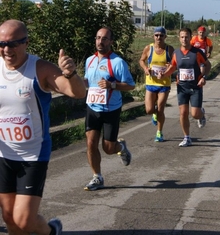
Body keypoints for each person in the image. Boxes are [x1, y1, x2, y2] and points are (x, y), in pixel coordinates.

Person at [0, 19, 87, 234]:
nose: (6, 49)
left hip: (32, 156)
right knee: (9, 219)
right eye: (1, 43)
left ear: (26, 42)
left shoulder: (40, 69)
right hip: (4, 155)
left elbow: (78, 93)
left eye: (13, 44)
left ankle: (50, 231)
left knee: (24, 221)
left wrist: (70, 74)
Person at [84, 27, 135, 191]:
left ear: (111, 42)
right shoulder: (89, 61)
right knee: (91, 144)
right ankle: (97, 177)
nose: (100, 41)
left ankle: (120, 148)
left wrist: (112, 85)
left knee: (108, 149)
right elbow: (87, 82)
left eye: (105, 38)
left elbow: (131, 85)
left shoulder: (117, 62)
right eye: (98, 38)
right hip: (92, 107)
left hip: (111, 110)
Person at [159, 28, 211, 147]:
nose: (184, 39)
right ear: (179, 38)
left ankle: (201, 114)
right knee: (183, 113)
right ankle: (186, 137)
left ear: (190, 37)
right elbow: (173, 67)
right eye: (182, 37)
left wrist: (204, 77)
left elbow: (208, 65)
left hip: (195, 87)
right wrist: (164, 74)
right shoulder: (176, 53)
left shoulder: (197, 52)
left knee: (195, 114)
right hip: (182, 87)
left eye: (186, 37)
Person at [139, 27, 174, 142]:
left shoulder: (169, 49)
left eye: (161, 35)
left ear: (165, 37)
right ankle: (153, 113)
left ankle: (159, 132)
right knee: (149, 110)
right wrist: (145, 69)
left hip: (164, 84)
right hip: (151, 82)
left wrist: (168, 68)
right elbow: (141, 60)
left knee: (160, 109)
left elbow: (174, 65)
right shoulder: (149, 48)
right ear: (154, 36)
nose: (159, 37)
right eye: (157, 35)